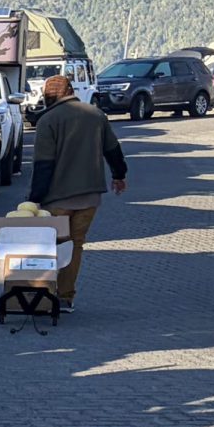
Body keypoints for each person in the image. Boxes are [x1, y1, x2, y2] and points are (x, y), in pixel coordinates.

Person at [26, 73, 127, 309]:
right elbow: (113, 149)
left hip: (56, 199)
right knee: (75, 245)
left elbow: (43, 164)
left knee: (52, 245)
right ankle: (65, 296)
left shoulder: (48, 120)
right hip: (89, 196)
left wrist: (34, 199)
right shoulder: (95, 115)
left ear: (47, 96)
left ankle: (44, 293)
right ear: (71, 90)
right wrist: (119, 175)